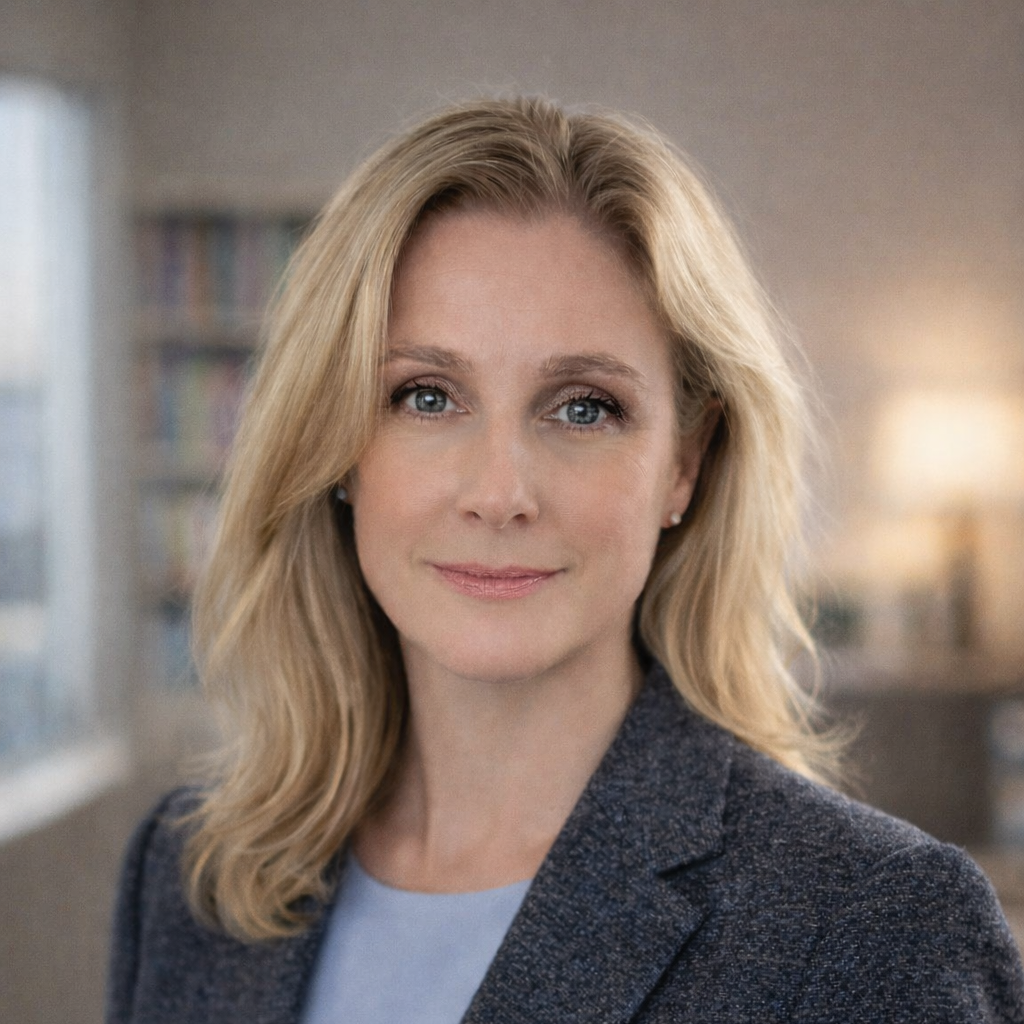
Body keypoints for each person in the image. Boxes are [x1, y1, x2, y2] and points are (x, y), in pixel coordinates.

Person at [107, 96, 1024, 1024]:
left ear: (685, 464)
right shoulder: (192, 877)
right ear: (337, 444)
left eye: (582, 407)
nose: (499, 491)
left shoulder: (882, 929)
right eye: (426, 397)